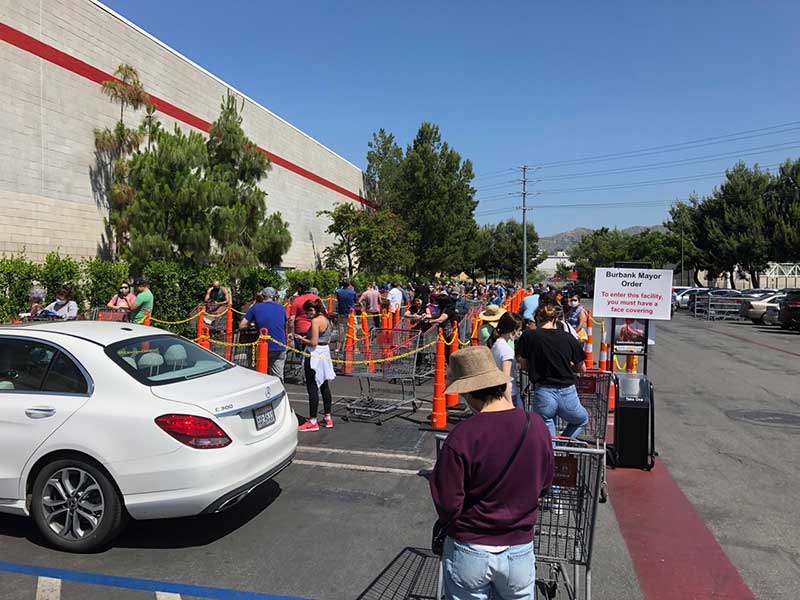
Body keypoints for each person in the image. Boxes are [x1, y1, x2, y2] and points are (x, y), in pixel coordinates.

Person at [429, 346, 554, 600]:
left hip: (471, 548)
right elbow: (545, 484)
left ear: (469, 393)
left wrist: (434, 478)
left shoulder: (462, 436)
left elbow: (449, 505)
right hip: (519, 549)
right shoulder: (536, 426)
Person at [519, 304, 589, 439]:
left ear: (536, 319)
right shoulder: (568, 338)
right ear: (555, 319)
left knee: (546, 427)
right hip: (567, 391)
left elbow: (523, 365)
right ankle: (562, 446)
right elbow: (582, 368)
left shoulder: (528, 336)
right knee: (581, 420)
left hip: (543, 390)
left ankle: (552, 452)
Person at [293, 298, 336, 432]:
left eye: (308, 312)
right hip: (325, 353)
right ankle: (328, 417)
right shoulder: (327, 320)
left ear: (313, 310)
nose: (307, 315)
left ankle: (313, 420)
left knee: (312, 386)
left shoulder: (316, 321)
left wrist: (301, 339)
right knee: (324, 384)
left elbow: (313, 342)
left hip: (314, 354)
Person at [239, 287, 288, 381]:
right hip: (279, 345)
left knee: (257, 373)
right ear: (274, 298)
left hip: (262, 346)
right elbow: (285, 324)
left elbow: (242, 325)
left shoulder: (255, 308)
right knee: (278, 375)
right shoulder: (281, 308)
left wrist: (252, 325)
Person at [487, 312, 524, 409]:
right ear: (513, 331)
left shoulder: (496, 345)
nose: (519, 334)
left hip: (497, 392)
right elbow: (505, 379)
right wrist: (510, 403)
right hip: (510, 394)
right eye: (519, 330)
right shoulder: (507, 350)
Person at [289, 280, 320, 352]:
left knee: (301, 353)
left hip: (301, 330)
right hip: (314, 329)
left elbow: (291, 319)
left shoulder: (297, 300)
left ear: (300, 288)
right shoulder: (316, 299)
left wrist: (290, 332)